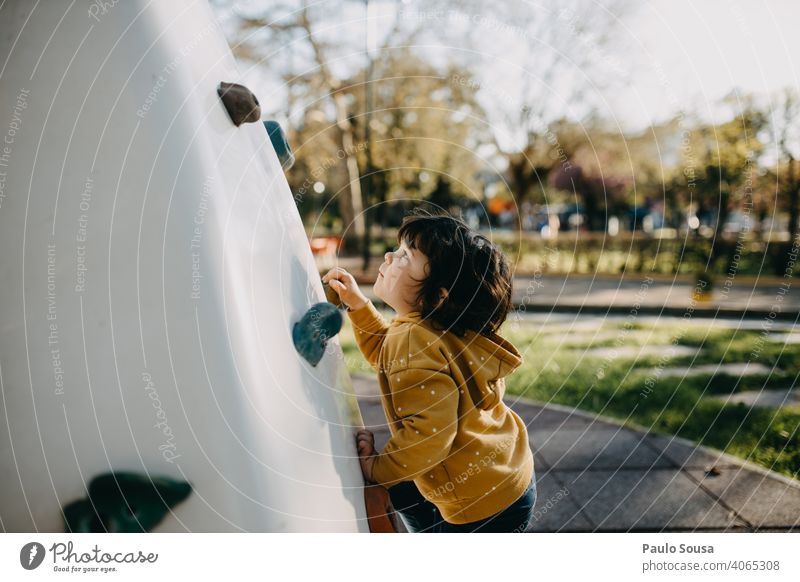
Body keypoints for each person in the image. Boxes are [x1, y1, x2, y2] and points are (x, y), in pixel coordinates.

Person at [322, 208, 536, 533]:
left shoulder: (414, 337)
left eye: (406, 257)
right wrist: (359, 305)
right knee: (406, 483)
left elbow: (430, 435)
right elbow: (387, 354)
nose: (390, 256)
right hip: (509, 474)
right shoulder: (436, 327)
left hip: (481, 505)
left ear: (438, 296)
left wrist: (375, 469)